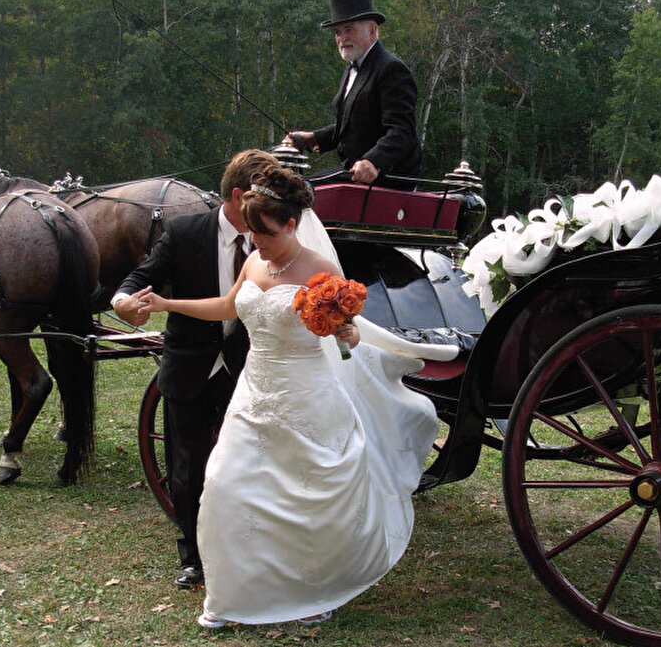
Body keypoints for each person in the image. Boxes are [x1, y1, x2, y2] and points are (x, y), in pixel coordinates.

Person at [133, 164, 447, 628]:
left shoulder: (321, 269)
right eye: (252, 233)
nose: (257, 243)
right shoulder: (254, 260)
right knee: (223, 481)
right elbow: (226, 306)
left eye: (266, 234)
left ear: (292, 224)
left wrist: (342, 331)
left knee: (307, 494)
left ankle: (316, 590)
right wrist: (165, 303)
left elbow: (349, 334)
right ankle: (230, 595)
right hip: (254, 391)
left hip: (306, 395)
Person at [111, 148, 280, 589]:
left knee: (247, 461)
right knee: (186, 465)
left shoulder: (274, 242)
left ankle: (246, 544)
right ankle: (193, 555)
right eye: (262, 200)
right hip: (190, 368)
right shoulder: (185, 233)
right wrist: (123, 302)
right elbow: (139, 278)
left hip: (250, 369)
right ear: (238, 196)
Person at [285, 0, 422, 187]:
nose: (342, 38)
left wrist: (372, 161)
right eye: (337, 32)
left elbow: (402, 131)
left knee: (299, 192)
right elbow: (355, 125)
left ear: (372, 31)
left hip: (385, 179)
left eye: (349, 29)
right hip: (351, 172)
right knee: (290, 186)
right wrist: (314, 138)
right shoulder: (353, 67)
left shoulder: (391, 69)